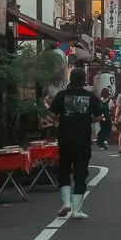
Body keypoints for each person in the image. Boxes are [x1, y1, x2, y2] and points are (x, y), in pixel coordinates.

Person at [50, 63, 98, 219]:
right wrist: (87, 120)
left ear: (70, 79)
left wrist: (61, 118)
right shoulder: (90, 97)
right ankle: (77, 210)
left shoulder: (61, 95)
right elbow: (99, 116)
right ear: (84, 80)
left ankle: (66, 203)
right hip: (82, 141)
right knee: (80, 173)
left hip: (65, 139)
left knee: (63, 170)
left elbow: (51, 114)